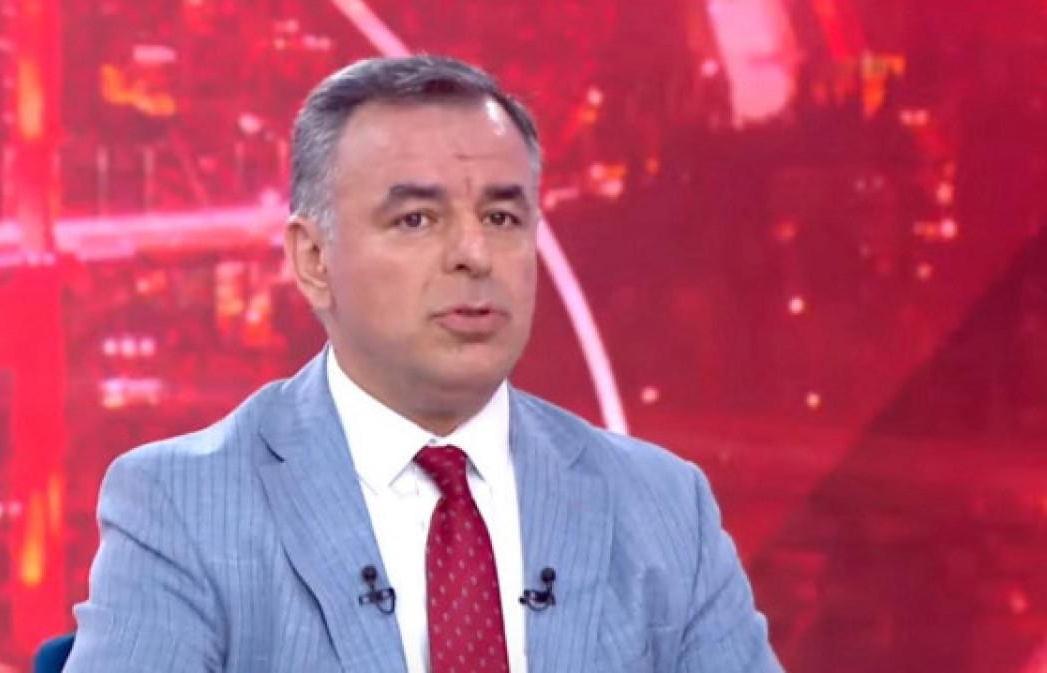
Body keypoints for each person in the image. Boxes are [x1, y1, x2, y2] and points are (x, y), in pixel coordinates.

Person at [64, 55, 784, 673]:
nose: (474, 254)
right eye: (416, 219)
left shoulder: (666, 506)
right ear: (314, 260)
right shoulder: (181, 506)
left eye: (501, 218)